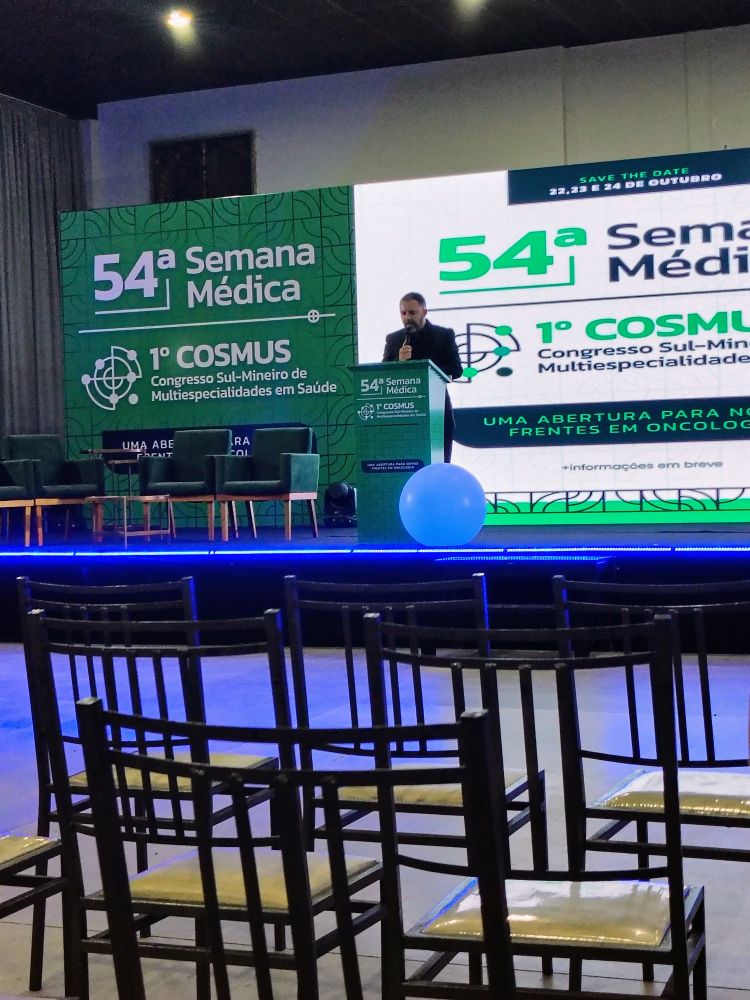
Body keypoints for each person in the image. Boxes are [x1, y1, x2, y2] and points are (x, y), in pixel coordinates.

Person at [382, 292, 463, 462]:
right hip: (404, 413)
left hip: (436, 412)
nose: (407, 318)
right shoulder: (394, 339)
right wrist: (398, 361)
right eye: (403, 313)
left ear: (424, 312)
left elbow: (456, 370)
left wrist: (426, 370)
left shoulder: (443, 335)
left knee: (440, 465)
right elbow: (383, 374)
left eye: (412, 312)